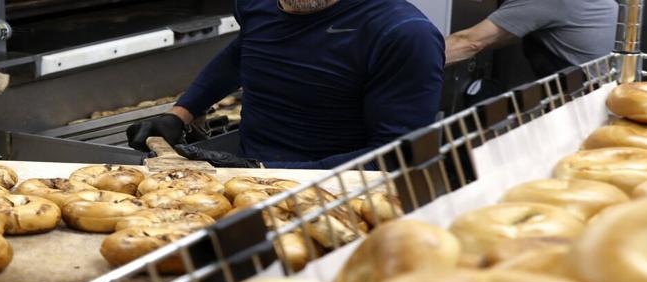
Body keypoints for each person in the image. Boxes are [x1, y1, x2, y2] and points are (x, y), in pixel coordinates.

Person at [128, 0, 444, 169]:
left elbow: (396, 157)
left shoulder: (403, 34)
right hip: (247, 184)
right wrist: (180, 114)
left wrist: (261, 170)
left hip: (340, 197)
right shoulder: (256, 5)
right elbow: (244, 52)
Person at [444, 0, 619, 80]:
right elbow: (511, 31)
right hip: (604, 91)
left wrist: (418, 61)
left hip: (584, 101)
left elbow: (468, 42)